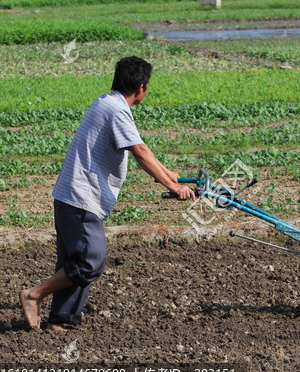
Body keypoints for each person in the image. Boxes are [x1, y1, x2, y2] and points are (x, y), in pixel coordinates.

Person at [19, 56, 194, 331]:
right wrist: (172, 186)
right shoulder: (116, 110)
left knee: (74, 263)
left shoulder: (106, 102)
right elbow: (139, 152)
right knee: (92, 262)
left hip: (72, 196)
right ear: (142, 88)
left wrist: (168, 172)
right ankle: (34, 294)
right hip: (81, 198)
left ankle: (59, 322)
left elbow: (140, 146)